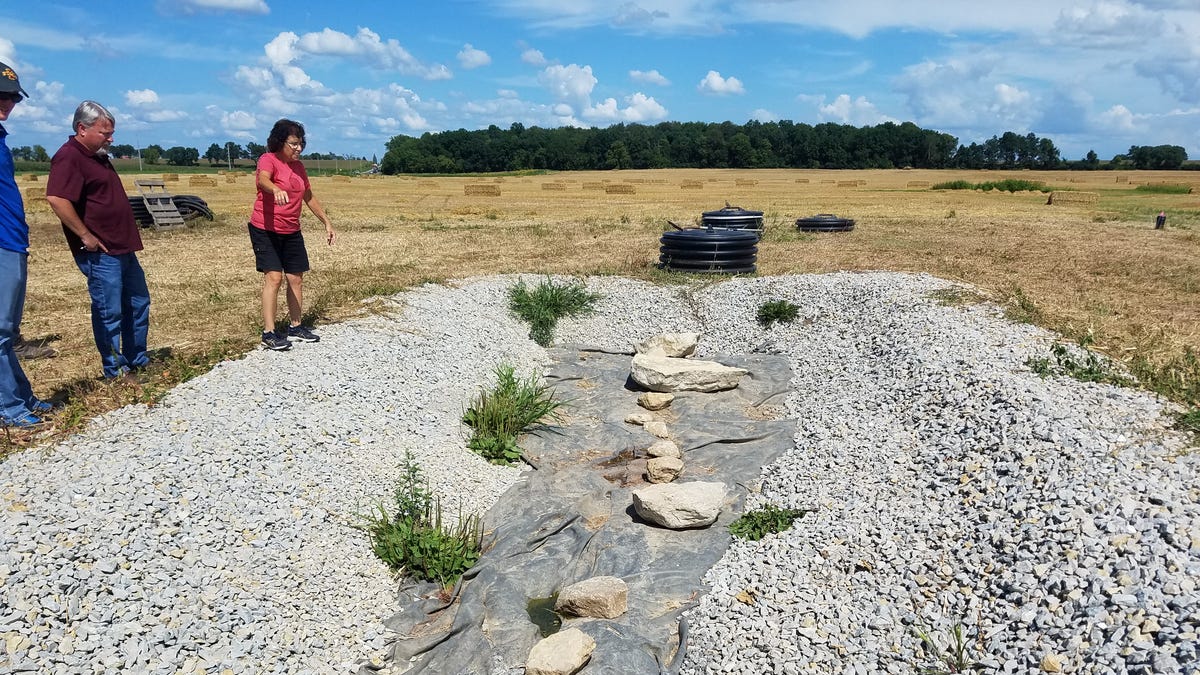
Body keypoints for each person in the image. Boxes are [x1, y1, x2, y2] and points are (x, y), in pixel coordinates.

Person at [45, 100, 150, 381]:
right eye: (105, 132)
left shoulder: (98, 155)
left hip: (123, 246)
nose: (111, 138)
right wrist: (85, 235)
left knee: (138, 303)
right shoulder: (69, 157)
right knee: (109, 312)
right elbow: (57, 198)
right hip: (100, 252)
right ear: (82, 128)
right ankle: (115, 370)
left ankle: (137, 359)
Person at [248, 118, 334, 351]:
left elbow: (308, 196)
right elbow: (263, 179)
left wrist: (326, 222)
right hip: (265, 228)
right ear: (280, 141)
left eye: (301, 143)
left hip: (291, 229)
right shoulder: (269, 159)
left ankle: (296, 326)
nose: (299, 147)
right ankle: (269, 332)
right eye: (294, 143)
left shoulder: (299, 167)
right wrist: (275, 188)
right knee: (274, 278)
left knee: (296, 278)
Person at [0, 61, 52, 426]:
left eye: (13, 97)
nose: (8, 104)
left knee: (6, 330)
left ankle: (22, 397)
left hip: (12, 241)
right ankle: (9, 408)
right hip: (2, 242)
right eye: (1, 97)